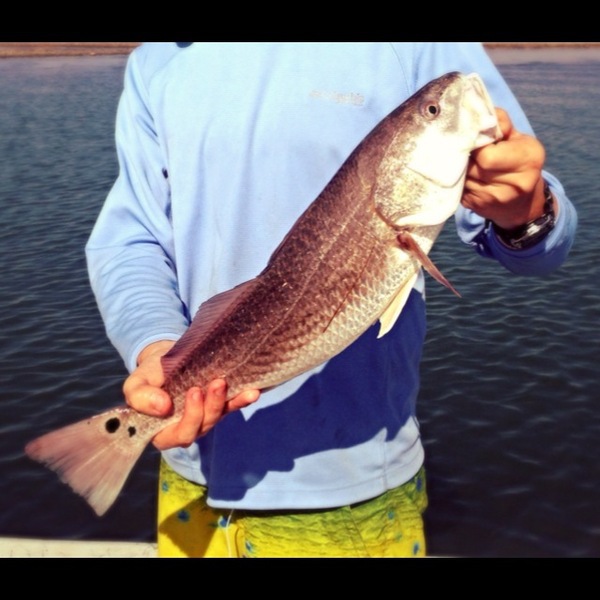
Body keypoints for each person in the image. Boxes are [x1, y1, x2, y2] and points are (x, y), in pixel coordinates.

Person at [86, 42, 577, 557]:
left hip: (349, 498)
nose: (444, 107)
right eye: (433, 111)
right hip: (188, 477)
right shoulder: (156, 60)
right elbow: (132, 238)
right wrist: (157, 350)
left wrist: (526, 213)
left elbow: (539, 240)